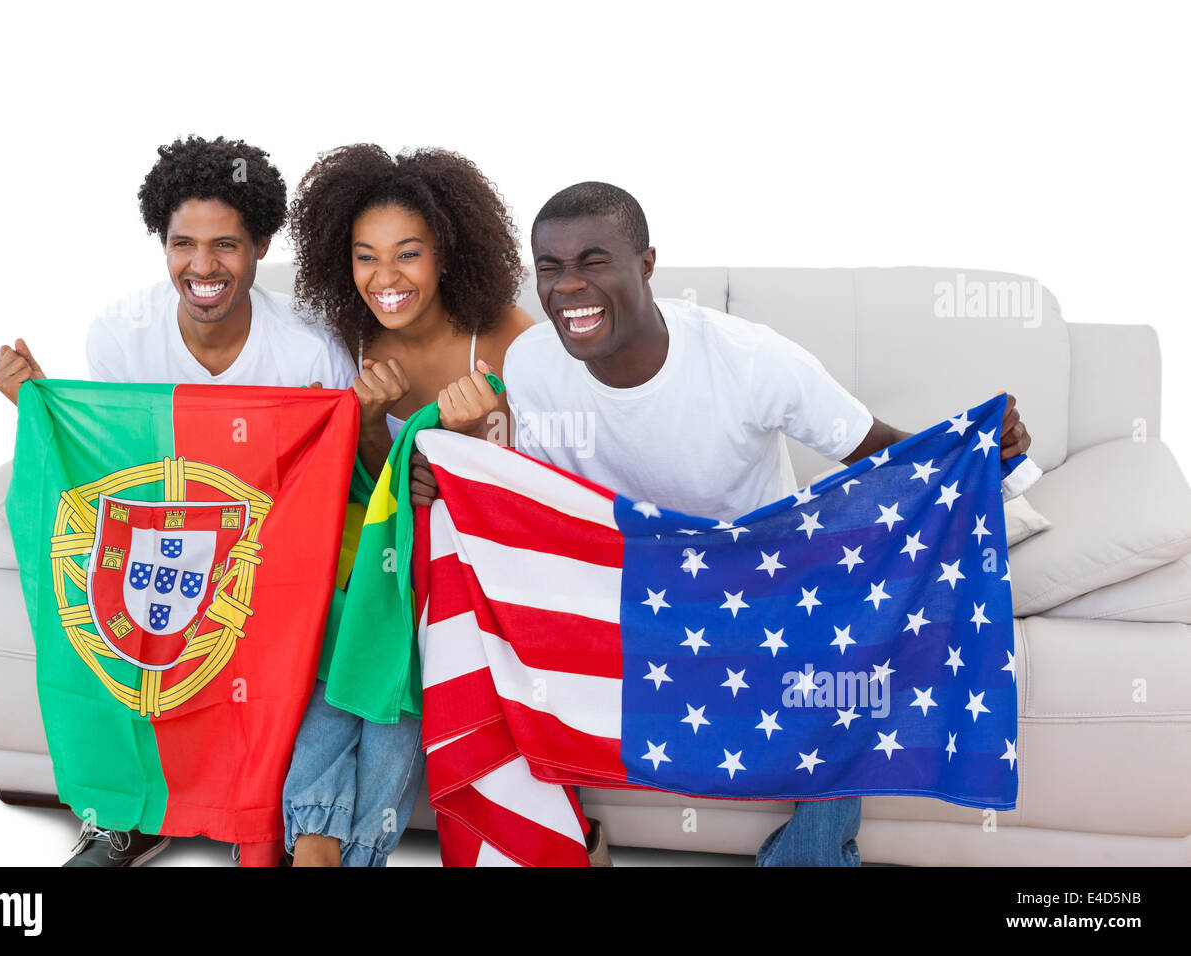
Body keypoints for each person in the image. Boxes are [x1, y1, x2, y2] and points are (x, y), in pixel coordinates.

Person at [503, 181, 1032, 866]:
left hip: (759, 575)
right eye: (550, 267)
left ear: (648, 265)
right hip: (628, 574)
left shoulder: (750, 359)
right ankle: (565, 841)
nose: (569, 286)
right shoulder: (532, 364)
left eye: (594, 261)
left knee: (847, 641)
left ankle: (810, 856)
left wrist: (981, 446)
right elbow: (541, 502)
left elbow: (880, 453)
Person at [0, 135, 356, 866]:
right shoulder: (121, 331)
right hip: (164, 527)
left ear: (259, 248)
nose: (203, 266)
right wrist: (37, 405)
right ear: (162, 244)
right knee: (106, 617)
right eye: (182, 244)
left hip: (264, 539)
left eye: (226, 245)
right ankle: (122, 814)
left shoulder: (311, 348)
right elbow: (111, 474)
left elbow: (321, 485)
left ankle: (251, 814)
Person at [281, 144, 536, 866]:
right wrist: (365, 424)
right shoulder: (350, 341)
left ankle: (329, 844)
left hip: (465, 572)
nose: (384, 278)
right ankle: (324, 843)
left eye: (408, 254)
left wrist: (465, 447)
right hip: (376, 563)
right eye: (365, 257)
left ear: (449, 255)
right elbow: (367, 486)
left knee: (395, 662)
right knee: (352, 640)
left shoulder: (510, 339)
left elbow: (531, 487)